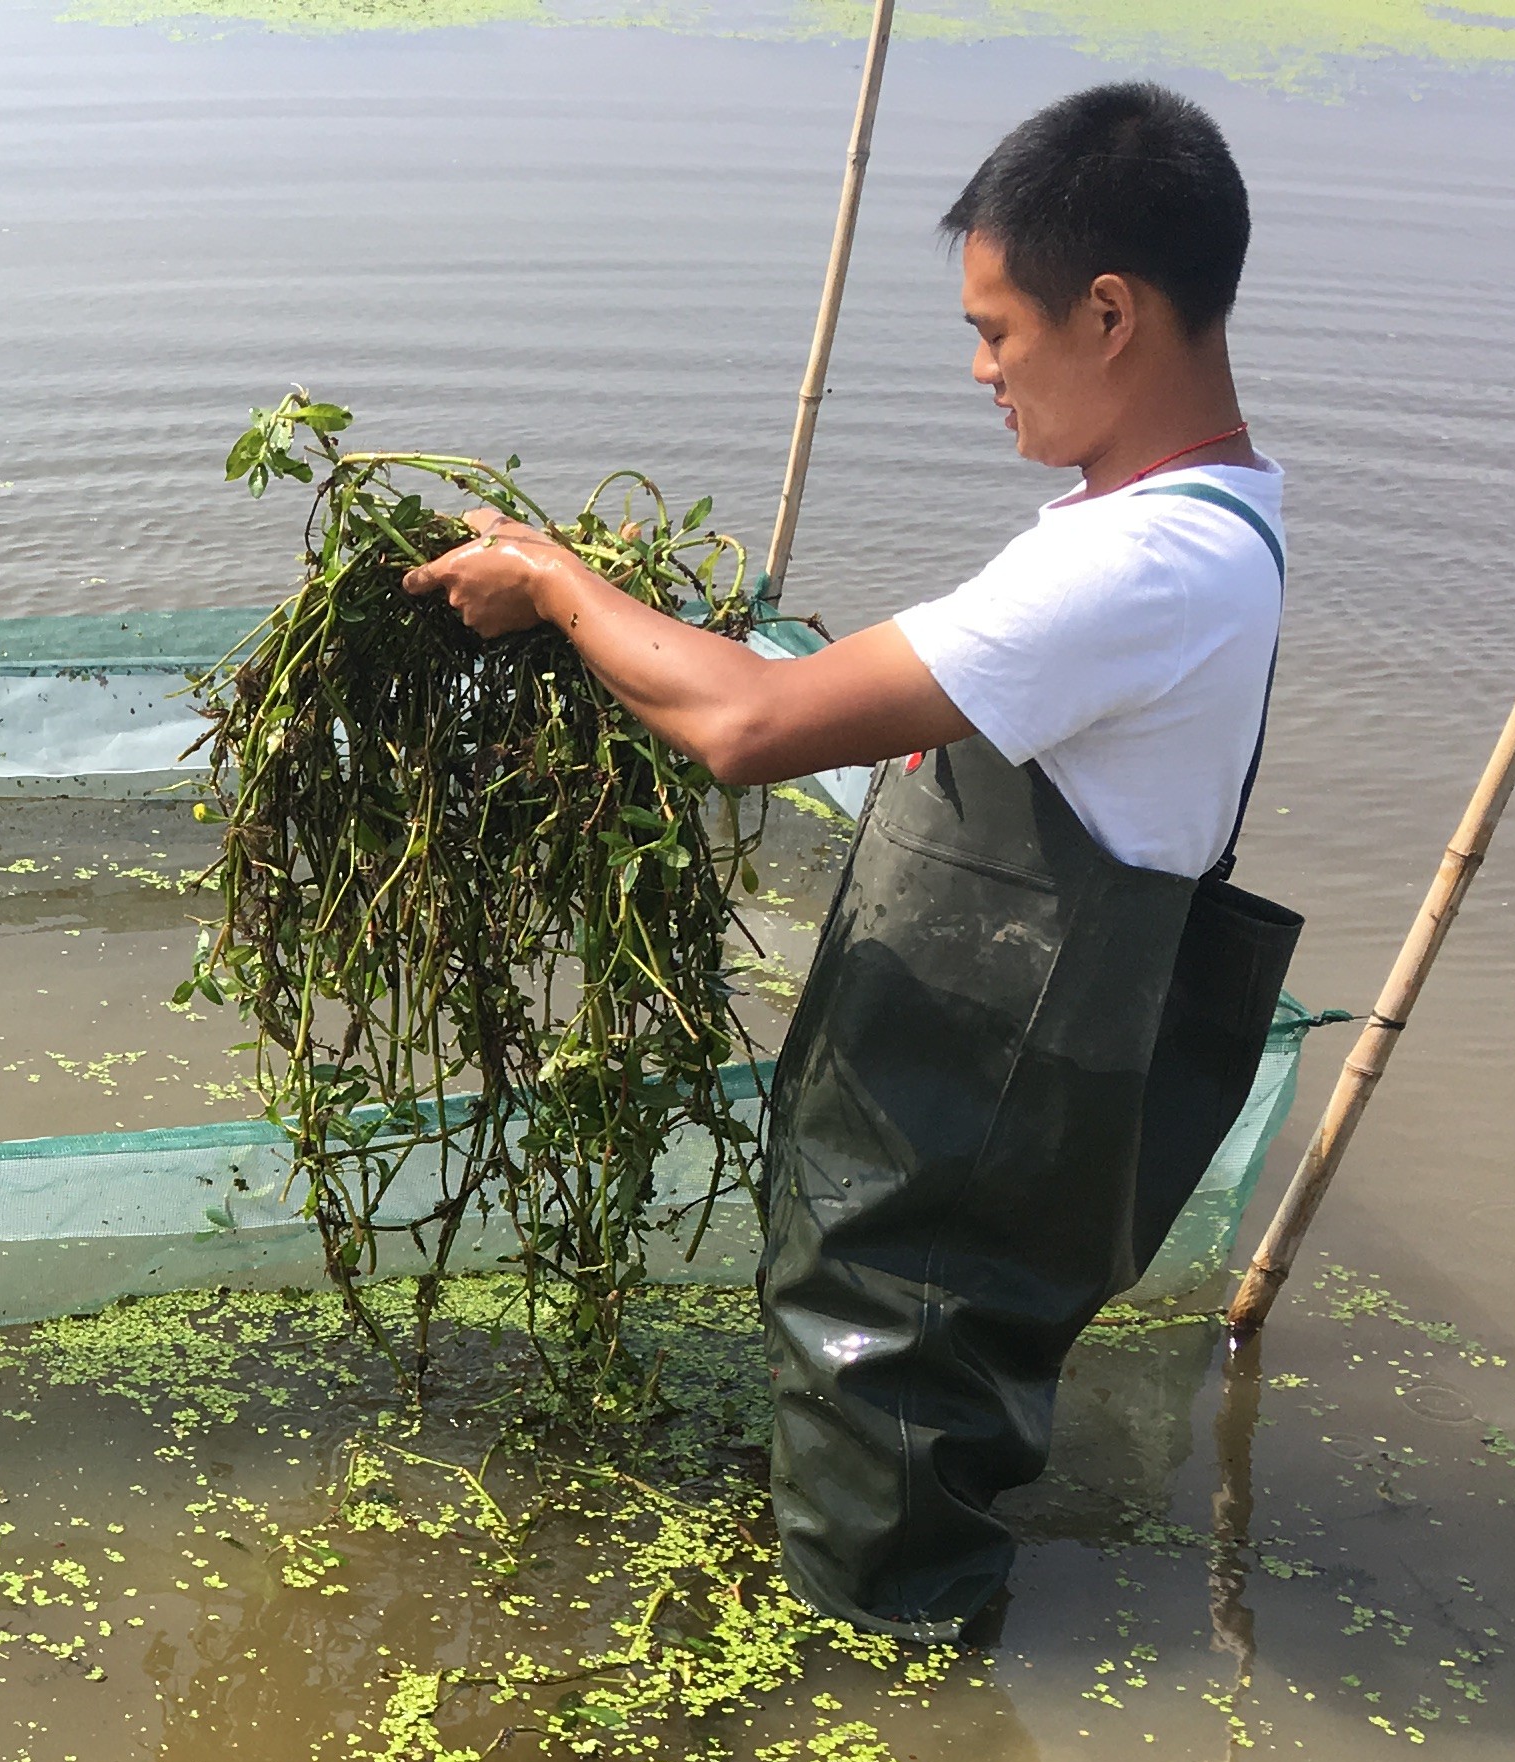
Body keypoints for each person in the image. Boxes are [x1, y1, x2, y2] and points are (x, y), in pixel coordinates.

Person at [403, 80, 1286, 1643]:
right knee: (903, 1408)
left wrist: (554, 581)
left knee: (893, 1444)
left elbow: (746, 724)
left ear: (1108, 312)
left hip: (968, 1136)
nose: (979, 369)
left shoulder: (1141, 562)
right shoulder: (1181, 523)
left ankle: (904, 1744)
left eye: (997, 330)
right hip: (975, 1120)